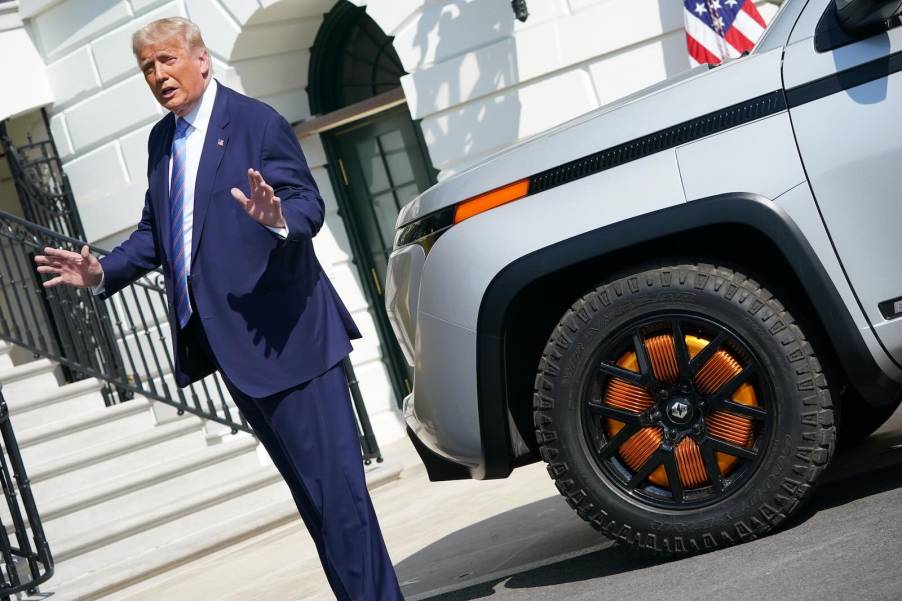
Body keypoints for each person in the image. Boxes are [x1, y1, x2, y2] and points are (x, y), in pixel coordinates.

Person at [33, 17, 403, 601]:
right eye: (148, 67)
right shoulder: (163, 142)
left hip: (292, 341)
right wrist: (102, 271)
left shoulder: (255, 122)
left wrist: (277, 218)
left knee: (341, 504)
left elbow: (306, 203)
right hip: (235, 352)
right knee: (316, 506)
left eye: (168, 60)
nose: (159, 74)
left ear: (201, 60)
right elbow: (157, 233)